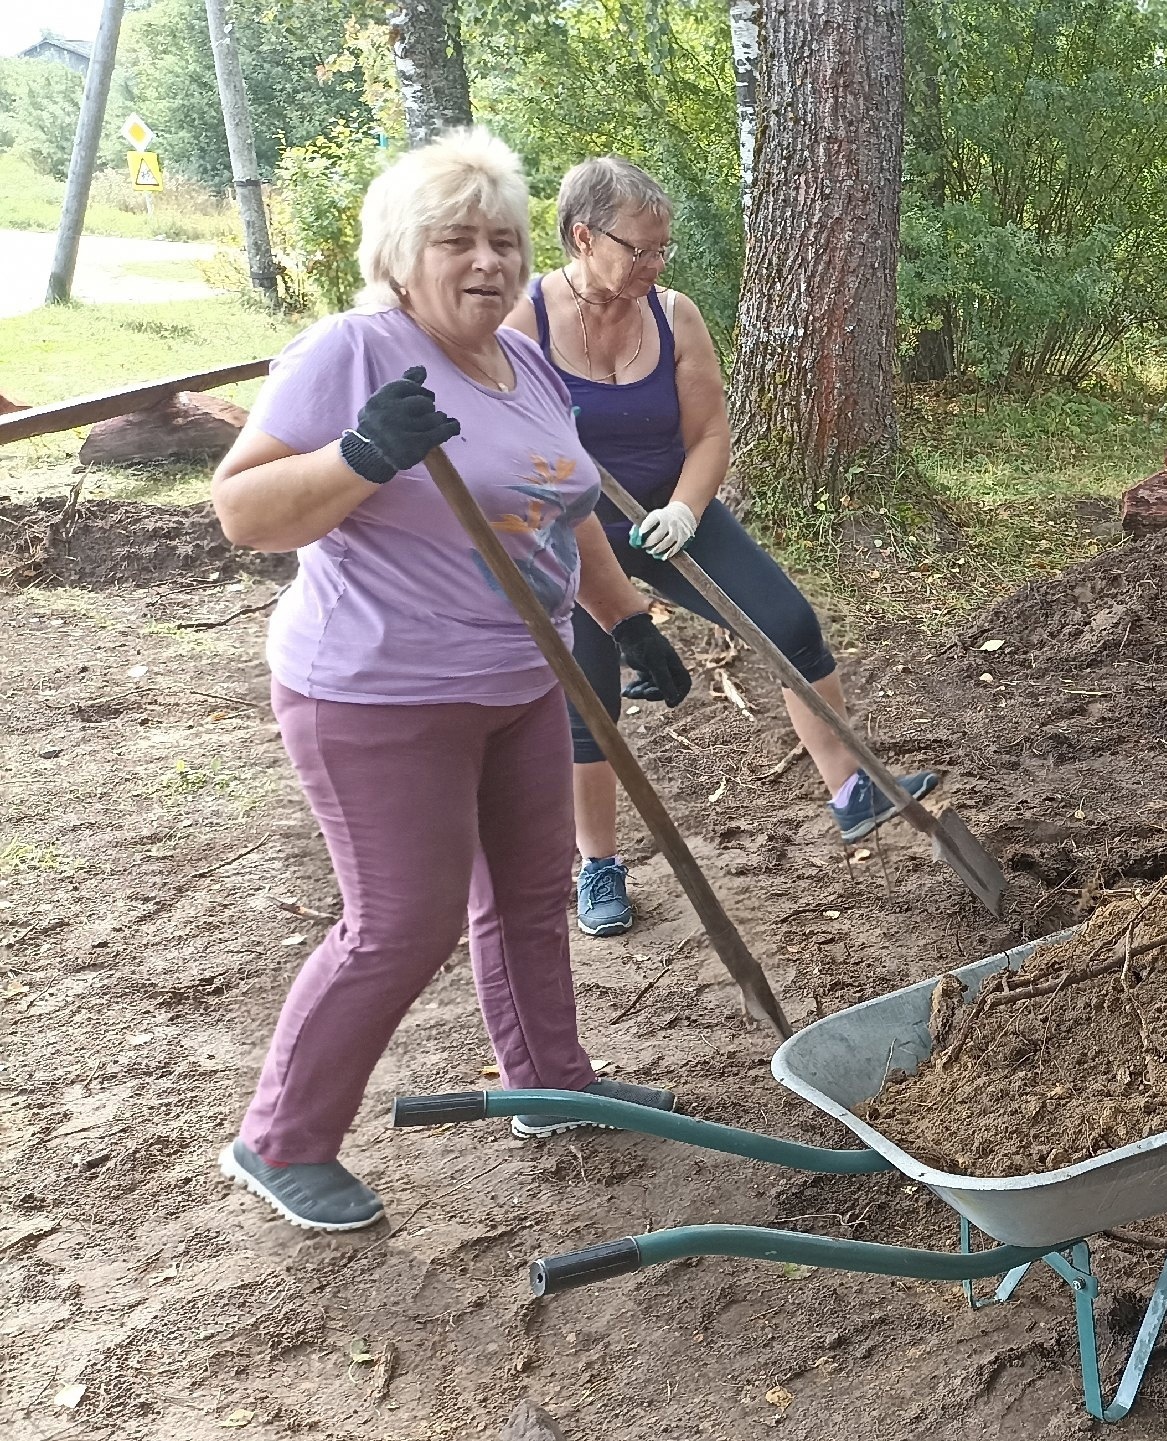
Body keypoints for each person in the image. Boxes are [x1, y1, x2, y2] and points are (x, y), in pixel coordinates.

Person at [210, 130, 688, 1232]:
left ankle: (549, 1082)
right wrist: (359, 458)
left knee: (527, 892)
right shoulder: (354, 350)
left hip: (520, 675)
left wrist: (627, 620)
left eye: (505, 241)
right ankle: (278, 1139)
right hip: (376, 691)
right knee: (402, 920)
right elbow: (240, 509)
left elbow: (558, 509)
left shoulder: (517, 360)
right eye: (458, 239)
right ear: (400, 251)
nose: (488, 261)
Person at [504, 155, 935, 940]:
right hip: (572, 535)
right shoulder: (523, 322)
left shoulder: (675, 314)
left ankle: (850, 791)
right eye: (640, 249)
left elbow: (708, 432)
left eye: (662, 248)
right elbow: (501, 447)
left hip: (670, 512)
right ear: (581, 236)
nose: (656, 263)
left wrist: (683, 509)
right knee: (589, 699)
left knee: (789, 624)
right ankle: (597, 862)